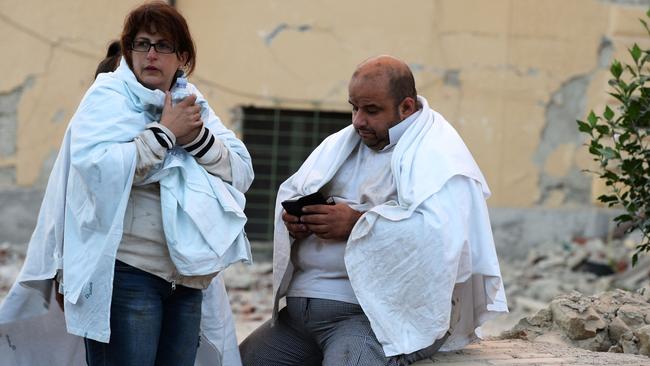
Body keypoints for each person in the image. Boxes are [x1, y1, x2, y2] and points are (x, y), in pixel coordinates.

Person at [0, 2, 252, 366]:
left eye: (163, 45)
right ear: (130, 50)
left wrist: (193, 139)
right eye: (142, 44)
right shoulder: (108, 98)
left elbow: (241, 170)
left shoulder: (192, 105)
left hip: (186, 280)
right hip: (127, 275)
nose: (151, 54)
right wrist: (166, 133)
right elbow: (97, 172)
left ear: (182, 56)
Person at [239, 55, 508, 365]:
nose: (358, 121)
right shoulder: (340, 144)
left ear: (406, 107)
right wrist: (295, 223)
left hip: (374, 319)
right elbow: (295, 191)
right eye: (354, 107)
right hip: (298, 319)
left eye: (371, 110)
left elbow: (441, 239)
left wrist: (357, 224)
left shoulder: (439, 155)